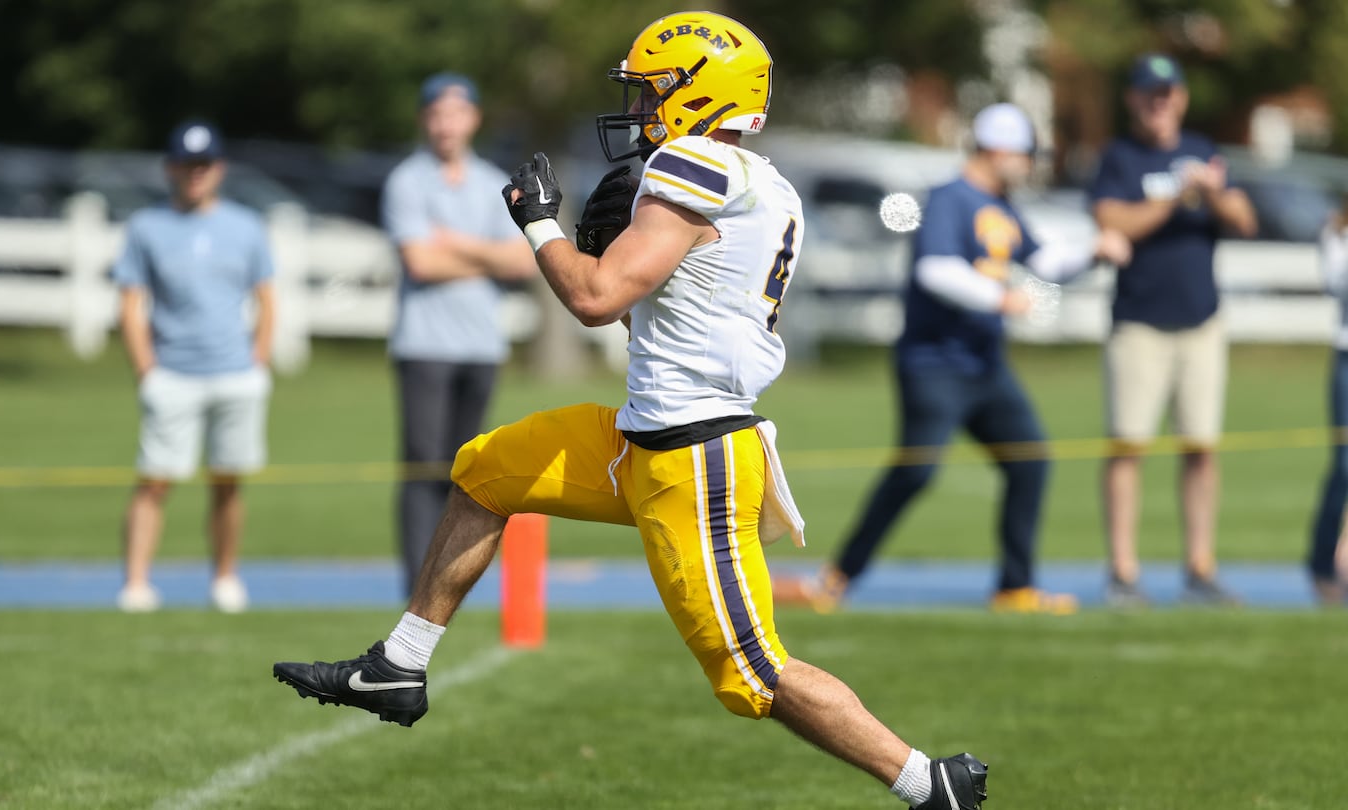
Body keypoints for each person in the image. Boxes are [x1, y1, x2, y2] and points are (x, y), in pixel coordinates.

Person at [274, 12, 989, 809]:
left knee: (750, 675)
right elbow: (647, 308)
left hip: (695, 456)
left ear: (698, 92)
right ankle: (399, 665)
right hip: (642, 436)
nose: (642, 104)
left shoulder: (692, 163)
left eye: (653, 87)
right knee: (487, 469)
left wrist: (539, 221)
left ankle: (931, 784)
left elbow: (594, 296)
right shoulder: (761, 180)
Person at [775, 103, 1132, 615]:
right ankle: (838, 577)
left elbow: (1047, 262)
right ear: (999, 150)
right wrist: (999, 297)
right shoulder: (950, 199)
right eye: (1025, 153)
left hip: (985, 365)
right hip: (935, 364)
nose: (1029, 164)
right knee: (915, 473)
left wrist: (1094, 251)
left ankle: (1015, 587)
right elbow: (935, 271)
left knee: (1030, 461)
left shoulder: (1001, 206)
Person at [1090, 54, 1258, 606]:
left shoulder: (1203, 151)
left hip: (1201, 324)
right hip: (1139, 324)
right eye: (1149, 93)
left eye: (1168, 92)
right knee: (1128, 447)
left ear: (1180, 97)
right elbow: (1113, 221)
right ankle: (1122, 570)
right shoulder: (1119, 156)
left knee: (1201, 448)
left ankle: (1200, 567)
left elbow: (1243, 219)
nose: (1159, 101)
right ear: (1133, 99)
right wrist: (1172, 199)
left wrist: (1207, 191)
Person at [381, 72, 537, 596]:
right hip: (423, 345)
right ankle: (416, 586)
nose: (447, 124)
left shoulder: (492, 180)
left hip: (480, 346)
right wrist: (486, 256)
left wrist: (456, 244)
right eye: (438, 113)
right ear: (426, 119)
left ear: (473, 118)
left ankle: (450, 580)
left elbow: (522, 263)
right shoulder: (407, 181)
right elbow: (421, 262)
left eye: (458, 112)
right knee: (424, 468)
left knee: (467, 472)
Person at [113, 120, 276, 613]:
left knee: (228, 482)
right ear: (170, 168)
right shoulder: (146, 228)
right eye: (186, 165)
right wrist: (147, 369)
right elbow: (130, 304)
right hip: (174, 374)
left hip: (234, 373)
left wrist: (258, 362)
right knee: (155, 480)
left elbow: (266, 299)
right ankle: (136, 582)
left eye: (203, 165)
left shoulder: (246, 226)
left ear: (219, 169)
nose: (195, 174)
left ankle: (225, 577)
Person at [1307, 207, 1348, 605]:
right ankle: (1321, 563)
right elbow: (1335, 284)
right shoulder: (1336, 231)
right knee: (1345, 466)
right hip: (1346, 358)